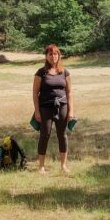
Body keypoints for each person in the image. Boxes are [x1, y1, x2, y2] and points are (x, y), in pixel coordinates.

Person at [33, 44, 73, 174]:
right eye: (50, 54)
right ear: (46, 56)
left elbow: (69, 93)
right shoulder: (40, 72)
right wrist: (37, 111)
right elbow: (35, 93)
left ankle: (63, 166)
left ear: (59, 56)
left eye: (55, 54)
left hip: (62, 106)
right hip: (45, 107)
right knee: (44, 135)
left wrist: (71, 111)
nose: (53, 56)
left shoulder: (65, 72)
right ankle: (41, 167)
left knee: (63, 135)